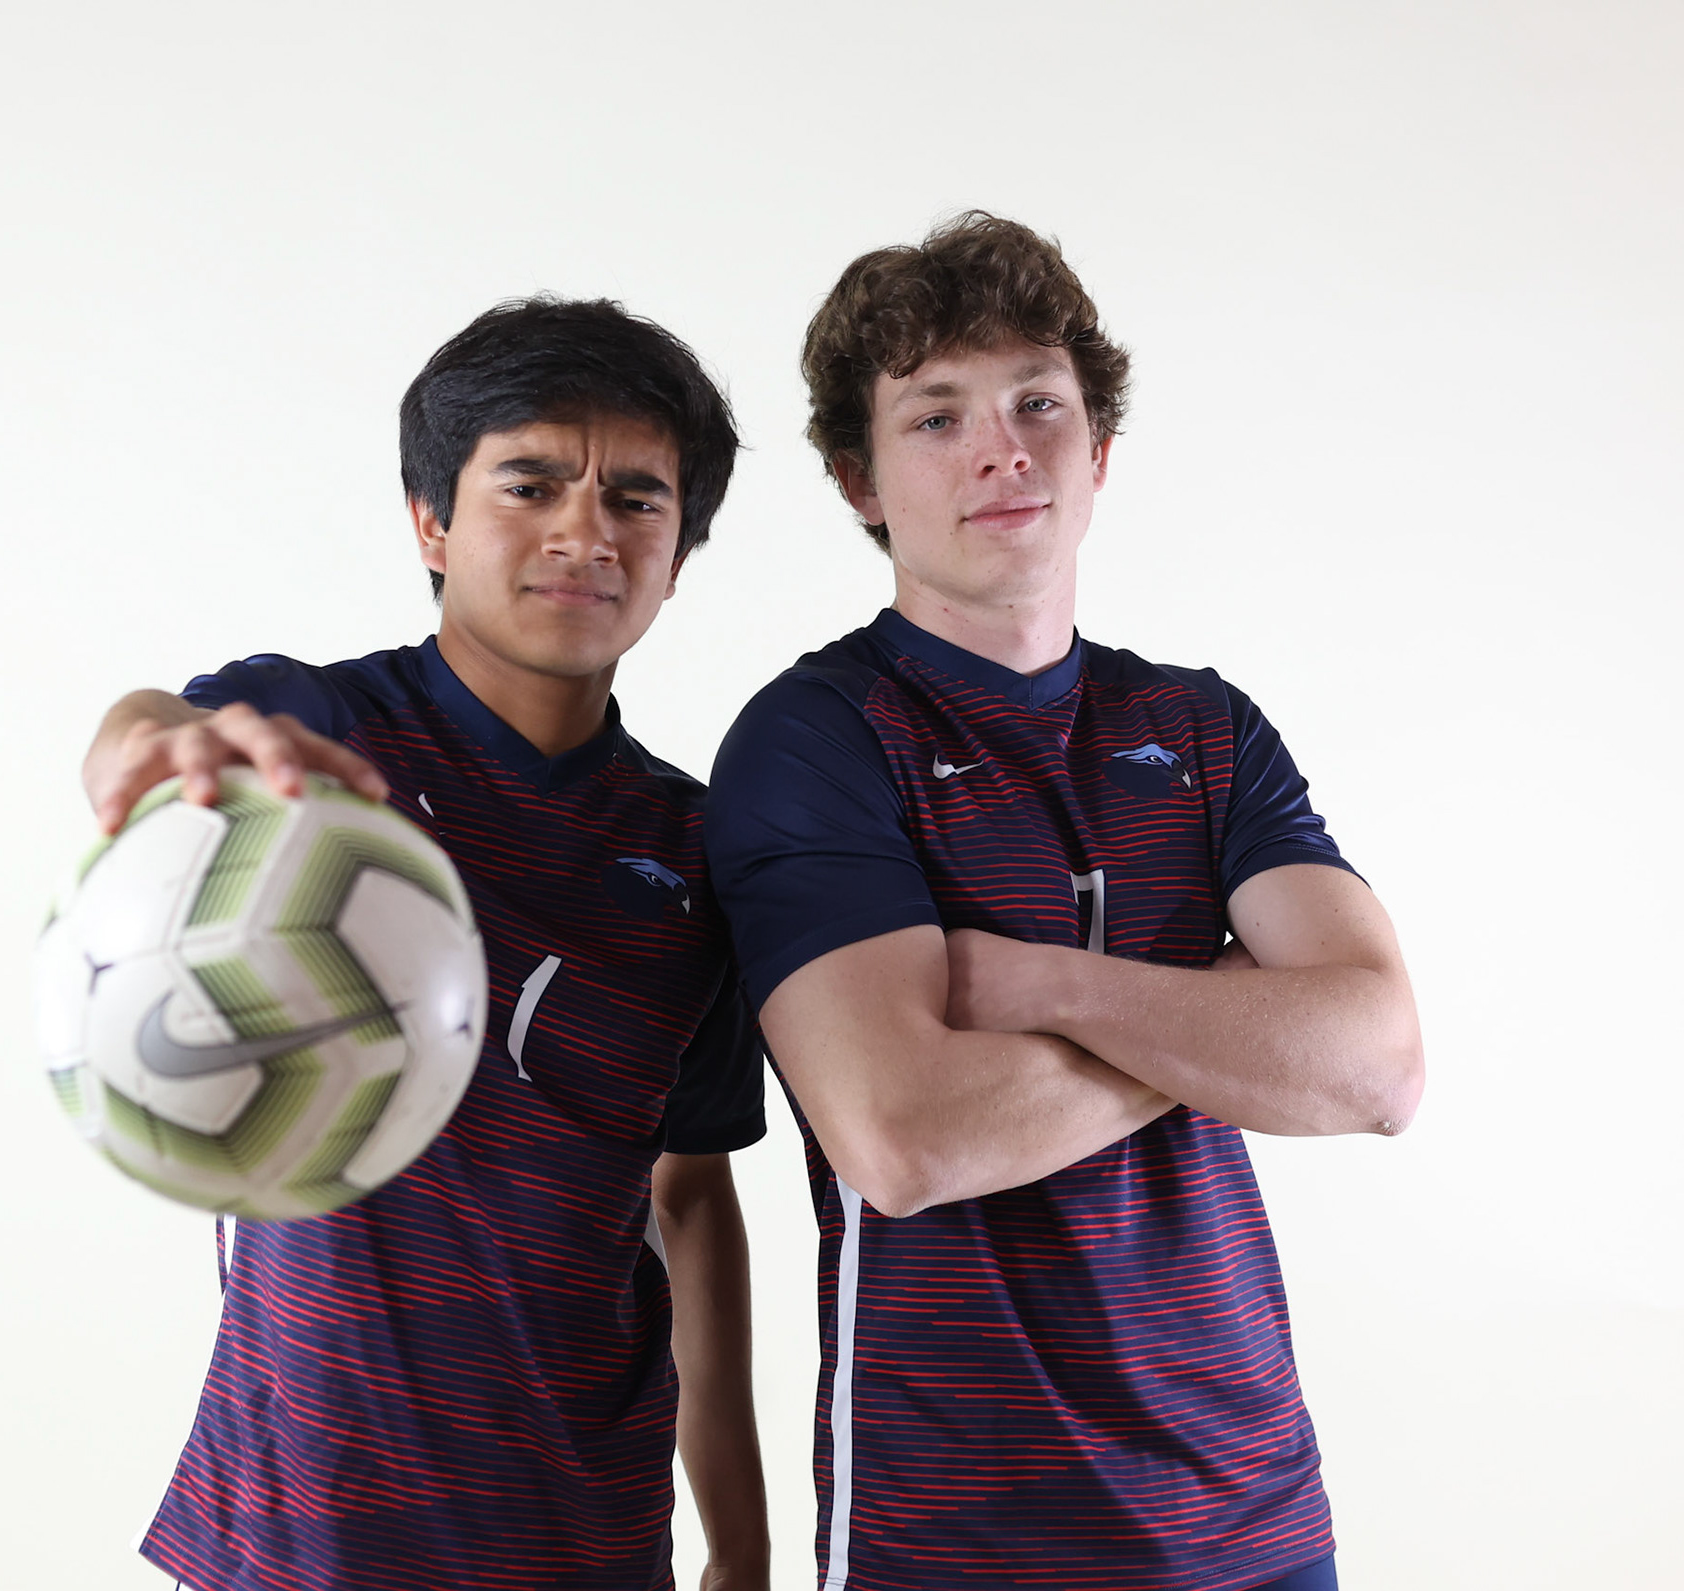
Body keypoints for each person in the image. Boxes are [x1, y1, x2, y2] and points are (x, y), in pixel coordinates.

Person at [706, 213, 1424, 1591]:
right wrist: (1228, 1020)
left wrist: (1053, 986)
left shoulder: (1204, 730)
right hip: (962, 1534)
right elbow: (903, 1137)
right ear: (859, 479)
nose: (1003, 449)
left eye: (1040, 403)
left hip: (1251, 1519)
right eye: (937, 418)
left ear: (1100, 452)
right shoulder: (817, 741)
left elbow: (1379, 1068)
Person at [82, 298, 770, 1591]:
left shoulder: (694, 851)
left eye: (635, 499)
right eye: (531, 483)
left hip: (587, 1535)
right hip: (303, 1524)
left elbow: (689, 1198)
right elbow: (157, 725)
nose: (585, 531)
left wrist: (740, 1547)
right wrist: (150, 749)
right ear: (432, 521)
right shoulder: (318, 735)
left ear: (678, 556)